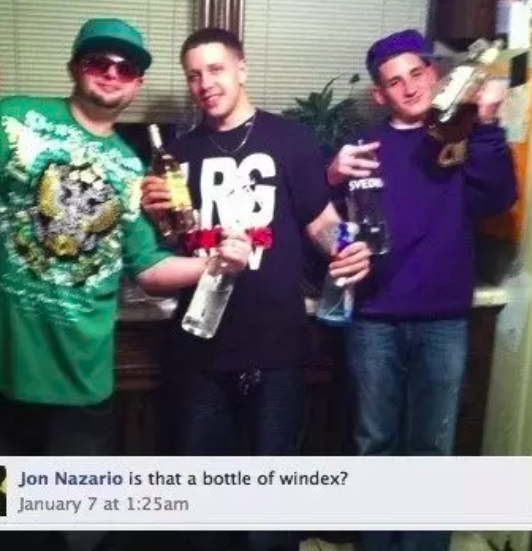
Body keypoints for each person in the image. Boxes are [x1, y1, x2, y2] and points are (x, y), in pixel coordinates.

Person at [0, 18, 251, 551]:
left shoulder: (133, 170)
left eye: (125, 67)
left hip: (77, 379)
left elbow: (148, 270)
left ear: (137, 83)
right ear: (74, 67)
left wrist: (215, 263)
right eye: (97, 61)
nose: (110, 73)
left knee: (80, 533)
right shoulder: (13, 119)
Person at [141, 27, 371, 551]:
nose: (205, 83)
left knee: (271, 513)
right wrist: (155, 219)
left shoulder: (290, 140)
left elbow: (321, 223)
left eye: (215, 69)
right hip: (201, 348)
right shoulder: (177, 155)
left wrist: (349, 248)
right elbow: (173, 243)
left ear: (241, 69)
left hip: (277, 348)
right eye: (193, 75)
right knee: (203, 513)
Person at [326, 29, 518, 551]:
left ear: (434, 75)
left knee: (432, 449)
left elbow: (497, 198)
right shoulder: (364, 150)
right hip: (374, 321)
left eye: (416, 73)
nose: (409, 87)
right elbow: (324, 221)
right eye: (395, 81)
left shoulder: (458, 136)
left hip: (443, 320)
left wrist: (488, 124)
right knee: (375, 446)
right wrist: (331, 175)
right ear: (379, 94)